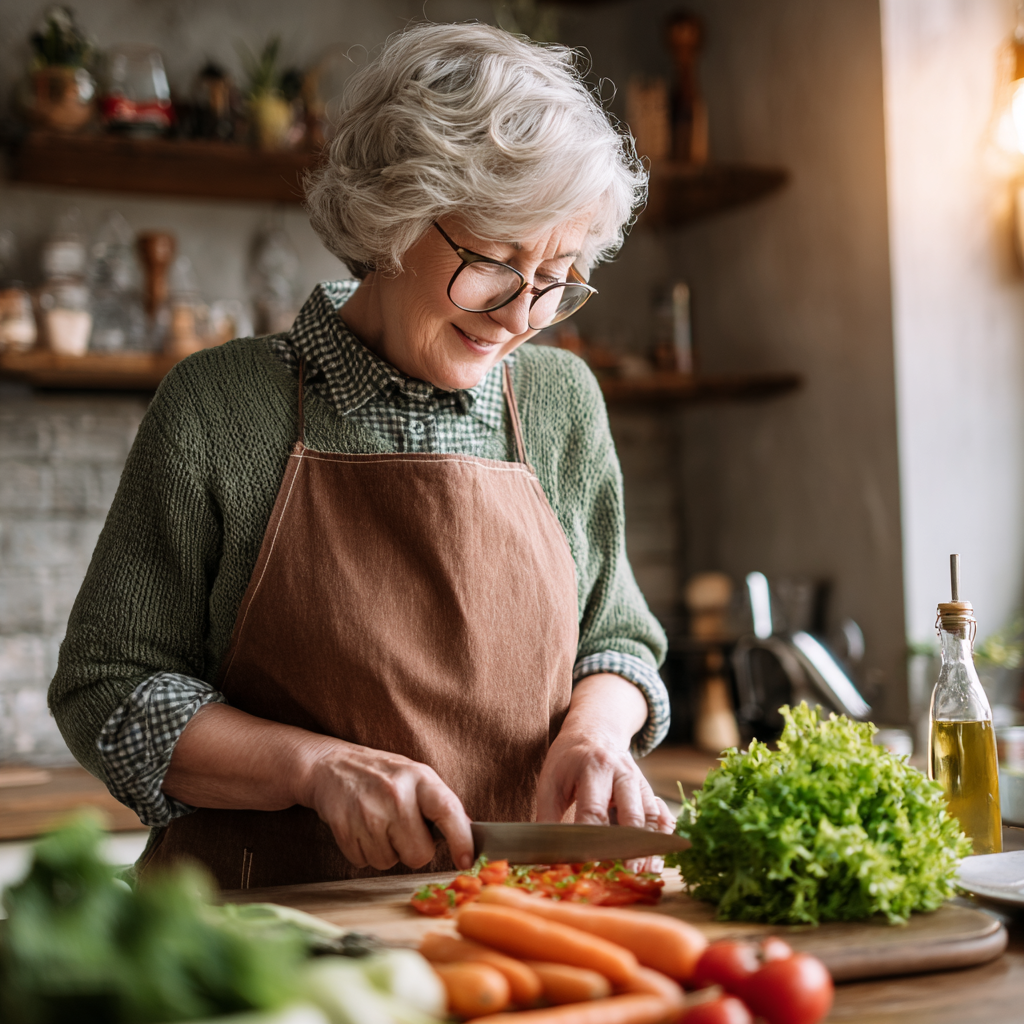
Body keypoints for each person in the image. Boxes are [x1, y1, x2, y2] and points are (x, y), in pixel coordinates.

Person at [49, 22, 673, 890]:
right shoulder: (218, 408)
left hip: (513, 924)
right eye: (493, 261)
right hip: (265, 941)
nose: (522, 315)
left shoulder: (563, 403)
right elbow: (108, 692)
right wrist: (312, 769)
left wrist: (595, 732)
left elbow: (618, 641)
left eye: (559, 274)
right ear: (392, 217)